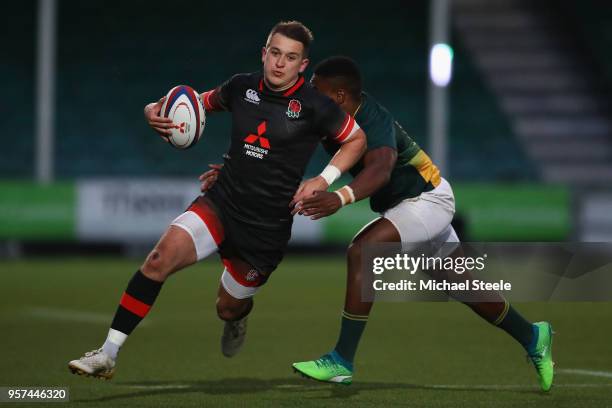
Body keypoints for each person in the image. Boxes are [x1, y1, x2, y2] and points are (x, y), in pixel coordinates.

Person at [67, 23, 366, 380]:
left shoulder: (316, 106)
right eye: (275, 53)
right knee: (158, 259)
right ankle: (108, 353)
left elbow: (356, 140)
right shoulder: (240, 87)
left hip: (265, 230)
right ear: (264, 53)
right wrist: (152, 109)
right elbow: (193, 103)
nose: (279, 64)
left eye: (290, 57)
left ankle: (237, 319)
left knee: (227, 307)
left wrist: (323, 179)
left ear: (303, 65)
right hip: (222, 203)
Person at [287, 56, 553, 391]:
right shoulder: (328, 120)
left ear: (339, 96)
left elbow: (380, 170)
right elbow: (284, 149)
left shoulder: (372, 118)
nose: (310, 94)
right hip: (408, 207)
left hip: (427, 200)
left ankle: (341, 360)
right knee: (464, 287)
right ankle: (533, 335)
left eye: (316, 89)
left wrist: (339, 197)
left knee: (361, 253)